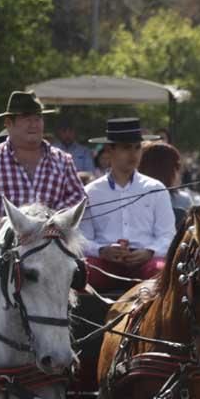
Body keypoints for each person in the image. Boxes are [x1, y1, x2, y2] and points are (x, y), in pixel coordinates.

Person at [0, 91, 86, 242]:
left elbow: (79, 196)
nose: (33, 124)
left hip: (52, 244)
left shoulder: (62, 160)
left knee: (77, 264)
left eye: (38, 118)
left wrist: (55, 218)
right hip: (0, 244)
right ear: (8, 123)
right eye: (26, 118)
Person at [79, 118, 176, 291]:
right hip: (104, 264)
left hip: (146, 264)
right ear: (110, 150)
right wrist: (102, 250)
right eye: (126, 148)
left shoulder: (156, 189)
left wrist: (149, 252)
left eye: (137, 147)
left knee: (163, 272)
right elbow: (82, 239)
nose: (133, 154)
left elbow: (168, 235)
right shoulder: (90, 192)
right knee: (82, 273)